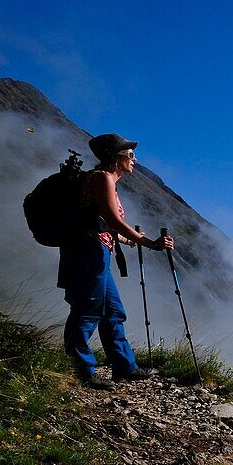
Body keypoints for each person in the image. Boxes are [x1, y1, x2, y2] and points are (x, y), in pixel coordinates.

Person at [59, 133, 174, 389]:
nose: (134, 159)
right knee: (88, 310)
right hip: (87, 251)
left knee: (112, 311)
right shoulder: (102, 178)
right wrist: (148, 242)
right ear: (115, 157)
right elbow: (112, 221)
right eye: (130, 155)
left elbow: (101, 224)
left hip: (96, 249)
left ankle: (124, 367)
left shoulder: (106, 180)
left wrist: (127, 240)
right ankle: (82, 370)